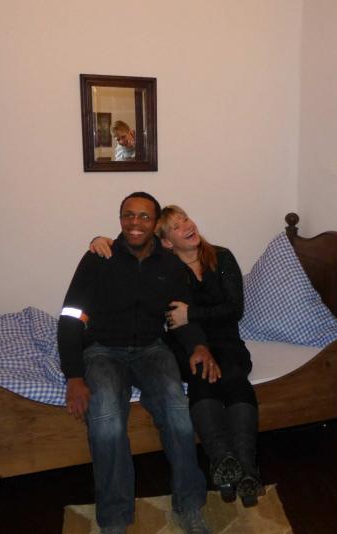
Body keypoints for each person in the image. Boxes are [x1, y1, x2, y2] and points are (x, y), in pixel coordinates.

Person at [58, 192, 219, 534]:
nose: (135, 223)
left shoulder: (169, 265)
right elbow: (71, 316)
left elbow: (179, 316)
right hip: (102, 351)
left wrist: (199, 346)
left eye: (144, 216)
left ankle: (190, 505)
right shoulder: (98, 258)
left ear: (155, 223)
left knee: (178, 412)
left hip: (151, 350)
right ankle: (115, 519)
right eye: (128, 215)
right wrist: (73, 375)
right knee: (106, 421)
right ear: (120, 219)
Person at [89, 206, 263, 507]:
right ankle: (222, 460)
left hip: (227, 342)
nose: (187, 226)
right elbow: (173, 320)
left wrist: (191, 313)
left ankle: (246, 467)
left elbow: (235, 310)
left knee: (235, 378)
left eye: (185, 219)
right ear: (167, 242)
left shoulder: (221, 257)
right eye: (176, 226)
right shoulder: (165, 269)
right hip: (185, 345)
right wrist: (98, 239)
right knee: (200, 380)